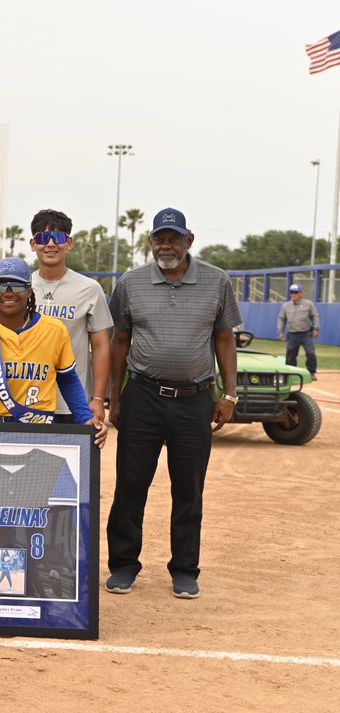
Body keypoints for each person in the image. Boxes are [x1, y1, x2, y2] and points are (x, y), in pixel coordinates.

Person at [105, 208, 242, 600]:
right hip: (143, 396)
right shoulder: (130, 283)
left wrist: (229, 394)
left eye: (174, 238)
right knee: (130, 487)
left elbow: (224, 339)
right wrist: (117, 396)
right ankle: (124, 566)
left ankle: (184, 569)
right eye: (159, 238)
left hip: (195, 399)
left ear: (189, 240)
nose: (166, 245)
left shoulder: (217, 281)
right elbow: (119, 341)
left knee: (189, 490)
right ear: (151, 242)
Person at [0, 257, 107, 450]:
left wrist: (85, 419)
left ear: (29, 291)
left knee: (39, 481)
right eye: (0, 286)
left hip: (39, 431)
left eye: (16, 285)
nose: (8, 293)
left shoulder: (54, 330)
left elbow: (68, 380)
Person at [28, 209, 113, 423]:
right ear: (32, 244)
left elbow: (101, 346)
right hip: (26, 400)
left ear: (69, 242)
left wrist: (98, 398)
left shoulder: (89, 288)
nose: (50, 244)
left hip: (74, 403)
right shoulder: (21, 287)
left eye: (57, 237)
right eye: (42, 237)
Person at [278, 283, 320, 378]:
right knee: (291, 354)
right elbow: (281, 319)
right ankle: (291, 373)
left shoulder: (308, 304)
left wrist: (316, 328)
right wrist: (280, 331)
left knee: (310, 352)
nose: (293, 294)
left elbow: (315, 316)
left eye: (295, 292)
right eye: (291, 292)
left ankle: (311, 372)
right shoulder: (286, 306)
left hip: (306, 333)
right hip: (292, 334)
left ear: (300, 293)